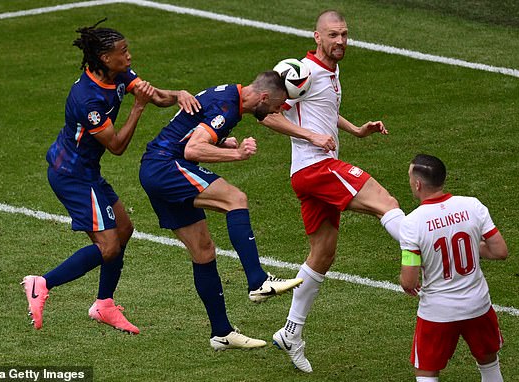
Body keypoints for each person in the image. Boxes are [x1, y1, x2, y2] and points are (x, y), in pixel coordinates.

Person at [21, 20, 201, 334]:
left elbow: (154, 94)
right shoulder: (88, 100)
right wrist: (137, 109)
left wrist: (179, 95)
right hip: (72, 174)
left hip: (86, 171)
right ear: (105, 58)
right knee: (108, 247)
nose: (129, 56)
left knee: (124, 229)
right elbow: (117, 145)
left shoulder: (118, 74)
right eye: (123, 51)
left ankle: (104, 304)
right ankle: (42, 283)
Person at [260, 10, 406, 372]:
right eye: (333, 35)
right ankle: (433, 253)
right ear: (316, 37)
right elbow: (266, 113)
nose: (340, 41)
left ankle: (290, 332)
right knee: (385, 203)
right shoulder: (301, 73)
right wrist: (311, 136)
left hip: (309, 173)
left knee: (322, 254)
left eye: (344, 35)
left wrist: (355, 130)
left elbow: (321, 110)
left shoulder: (330, 71)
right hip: (316, 168)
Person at [139, 71, 305, 350]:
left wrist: (222, 142)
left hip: (156, 168)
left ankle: (221, 333)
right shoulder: (229, 106)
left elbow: (193, 132)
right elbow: (193, 150)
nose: (277, 111)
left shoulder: (230, 96)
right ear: (264, 97)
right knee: (235, 199)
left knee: (203, 252)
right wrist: (236, 154)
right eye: (277, 106)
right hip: (166, 166)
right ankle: (258, 280)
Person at [399, 154, 508, 382]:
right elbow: (499, 251)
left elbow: (409, 281)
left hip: (437, 313)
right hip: (478, 305)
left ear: (418, 184)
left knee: (427, 372)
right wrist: (470, 244)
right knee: (489, 364)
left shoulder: (412, 222)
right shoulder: (472, 205)